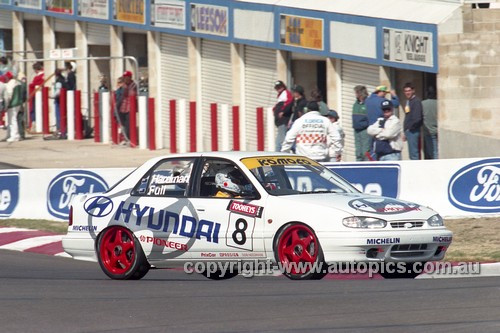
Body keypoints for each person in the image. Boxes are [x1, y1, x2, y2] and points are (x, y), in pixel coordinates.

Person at [402, 82, 423, 160]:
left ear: (413, 91)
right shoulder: (408, 101)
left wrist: (410, 128)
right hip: (409, 131)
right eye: (406, 91)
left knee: (414, 154)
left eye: (409, 90)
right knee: (411, 154)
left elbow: (417, 118)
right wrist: (405, 131)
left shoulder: (416, 101)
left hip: (413, 131)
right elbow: (407, 116)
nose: (407, 93)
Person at [352, 85, 371, 161]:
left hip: (364, 130)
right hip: (356, 130)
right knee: (358, 151)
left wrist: (365, 124)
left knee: (365, 151)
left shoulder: (367, 103)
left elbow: (370, 117)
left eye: (356, 92)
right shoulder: (356, 104)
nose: (355, 94)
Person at [272, 80, 293, 151]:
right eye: (277, 88)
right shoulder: (280, 95)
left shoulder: (286, 93)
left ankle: (284, 153)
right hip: (279, 122)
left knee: (282, 141)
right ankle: (277, 154)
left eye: (279, 87)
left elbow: (289, 102)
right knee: (278, 142)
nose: (278, 89)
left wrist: (283, 112)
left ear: (283, 86)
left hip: (283, 121)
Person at [4, 71, 23, 142]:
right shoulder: (18, 82)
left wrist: (6, 105)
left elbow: (8, 95)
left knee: (12, 120)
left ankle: (14, 136)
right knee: (13, 119)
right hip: (18, 103)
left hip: (12, 104)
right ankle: (13, 135)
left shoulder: (10, 84)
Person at [118, 71, 137, 140]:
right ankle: (124, 138)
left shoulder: (133, 85)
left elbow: (133, 94)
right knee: (123, 124)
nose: (125, 79)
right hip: (122, 107)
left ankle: (130, 138)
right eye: (124, 78)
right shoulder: (123, 85)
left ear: (130, 77)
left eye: (126, 77)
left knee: (129, 125)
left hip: (130, 108)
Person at [422, 86, 438, 159]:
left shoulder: (422, 103)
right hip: (437, 130)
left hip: (427, 130)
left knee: (431, 152)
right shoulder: (438, 103)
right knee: (435, 151)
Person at [28, 62, 44, 129]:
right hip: (34, 95)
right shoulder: (39, 76)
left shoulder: (41, 76)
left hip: (36, 95)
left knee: (34, 110)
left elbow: (37, 84)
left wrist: (31, 84)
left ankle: (35, 123)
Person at [52, 69, 65, 137]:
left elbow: (58, 91)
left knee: (58, 115)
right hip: (63, 100)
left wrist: (52, 96)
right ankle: (62, 130)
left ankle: (60, 130)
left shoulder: (59, 80)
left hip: (59, 100)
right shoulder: (63, 79)